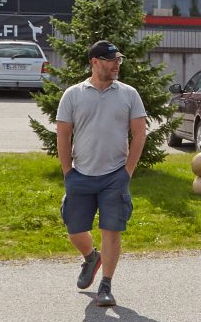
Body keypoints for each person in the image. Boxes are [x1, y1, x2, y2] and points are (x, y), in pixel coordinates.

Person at [56, 40, 147, 308]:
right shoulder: (73, 94)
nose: (116, 64)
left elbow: (140, 133)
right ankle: (90, 257)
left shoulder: (129, 94)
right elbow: (63, 134)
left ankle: (106, 285)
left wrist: (127, 171)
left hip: (114, 176)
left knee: (111, 229)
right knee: (75, 230)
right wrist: (67, 172)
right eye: (110, 60)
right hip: (80, 174)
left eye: (118, 60)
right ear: (95, 62)